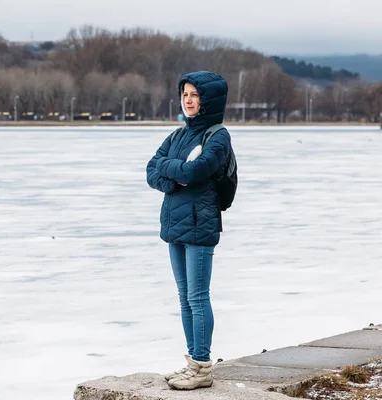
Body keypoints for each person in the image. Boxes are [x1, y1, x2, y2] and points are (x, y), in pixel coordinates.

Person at [145, 71, 232, 390]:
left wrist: (174, 171)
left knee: (197, 296)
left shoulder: (218, 136)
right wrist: (173, 174)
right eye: (185, 95)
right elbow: (152, 169)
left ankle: (202, 366)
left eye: (195, 95)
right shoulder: (177, 136)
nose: (188, 100)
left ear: (208, 100)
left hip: (201, 224)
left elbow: (196, 170)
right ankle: (191, 363)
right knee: (184, 297)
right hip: (174, 224)